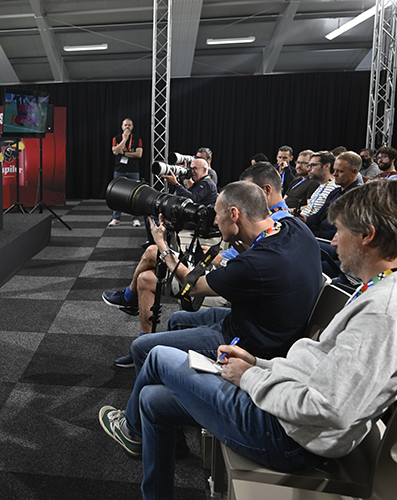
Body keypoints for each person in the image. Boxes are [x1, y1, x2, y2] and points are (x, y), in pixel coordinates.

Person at [98, 180, 397, 500]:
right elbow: (322, 374)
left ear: (367, 235)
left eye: (340, 231)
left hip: (289, 437)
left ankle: (131, 432)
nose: (333, 240)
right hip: (286, 402)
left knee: (156, 355)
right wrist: (260, 365)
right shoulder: (373, 287)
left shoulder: (382, 312)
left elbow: (331, 409)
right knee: (151, 401)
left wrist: (251, 377)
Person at [103, 175, 319, 367]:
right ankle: (173, 377)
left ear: (234, 214)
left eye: (217, 214)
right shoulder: (293, 226)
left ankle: (148, 404)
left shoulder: (256, 263)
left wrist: (162, 244)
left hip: (248, 343)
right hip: (260, 323)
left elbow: (192, 286)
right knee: (177, 319)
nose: (215, 221)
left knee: (141, 347)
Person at [300, 151, 362, 241]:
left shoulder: (358, 196)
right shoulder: (335, 192)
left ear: (354, 172)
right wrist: (304, 219)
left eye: (340, 171)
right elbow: (318, 216)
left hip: (332, 241)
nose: (335, 174)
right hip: (319, 235)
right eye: (335, 170)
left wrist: (313, 234)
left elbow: (345, 231)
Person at [109, 118, 143, 227]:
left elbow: (139, 154)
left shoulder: (137, 139)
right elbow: (115, 151)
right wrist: (125, 139)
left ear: (132, 127)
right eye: (125, 125)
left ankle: (135, 218)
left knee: (135, 194)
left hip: (133, 170)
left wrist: (123, 153)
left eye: (129, 125)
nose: (127, 127)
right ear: (122, 126)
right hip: (119, 170)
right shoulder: (117, 138)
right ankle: (116, 218)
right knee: (117, 194)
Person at [299, 150, 337, 217]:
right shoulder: (321, 186)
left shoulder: (334, 187)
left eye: (313, 165)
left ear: (327, 166)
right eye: (308, 166)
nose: (308, 169)